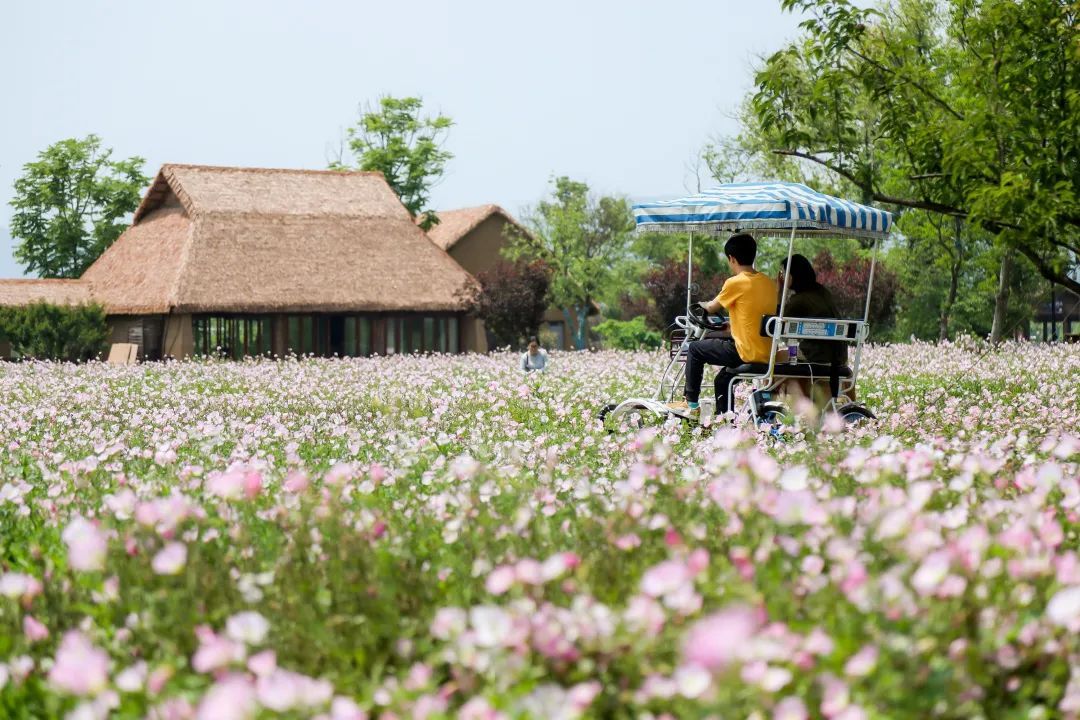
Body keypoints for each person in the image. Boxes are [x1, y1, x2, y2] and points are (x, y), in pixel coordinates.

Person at [670, 233, 778, 421]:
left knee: (695, 349)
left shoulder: (736, 282)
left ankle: (691, 403)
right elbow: (750, 316)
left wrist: (701, 304)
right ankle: (725, 419)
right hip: (766, 352)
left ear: (732, 258)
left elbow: (711, 307)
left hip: (743, 351)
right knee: (722, 379)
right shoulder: (768, 283)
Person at [779, 254, 847, 366]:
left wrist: (779, 292)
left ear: (792, 275)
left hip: (814, 355)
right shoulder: (823, 292)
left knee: (774, 358)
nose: (782, 277)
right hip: (839, 356)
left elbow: (779, 326)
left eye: (783, 273)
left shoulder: (799, 300)